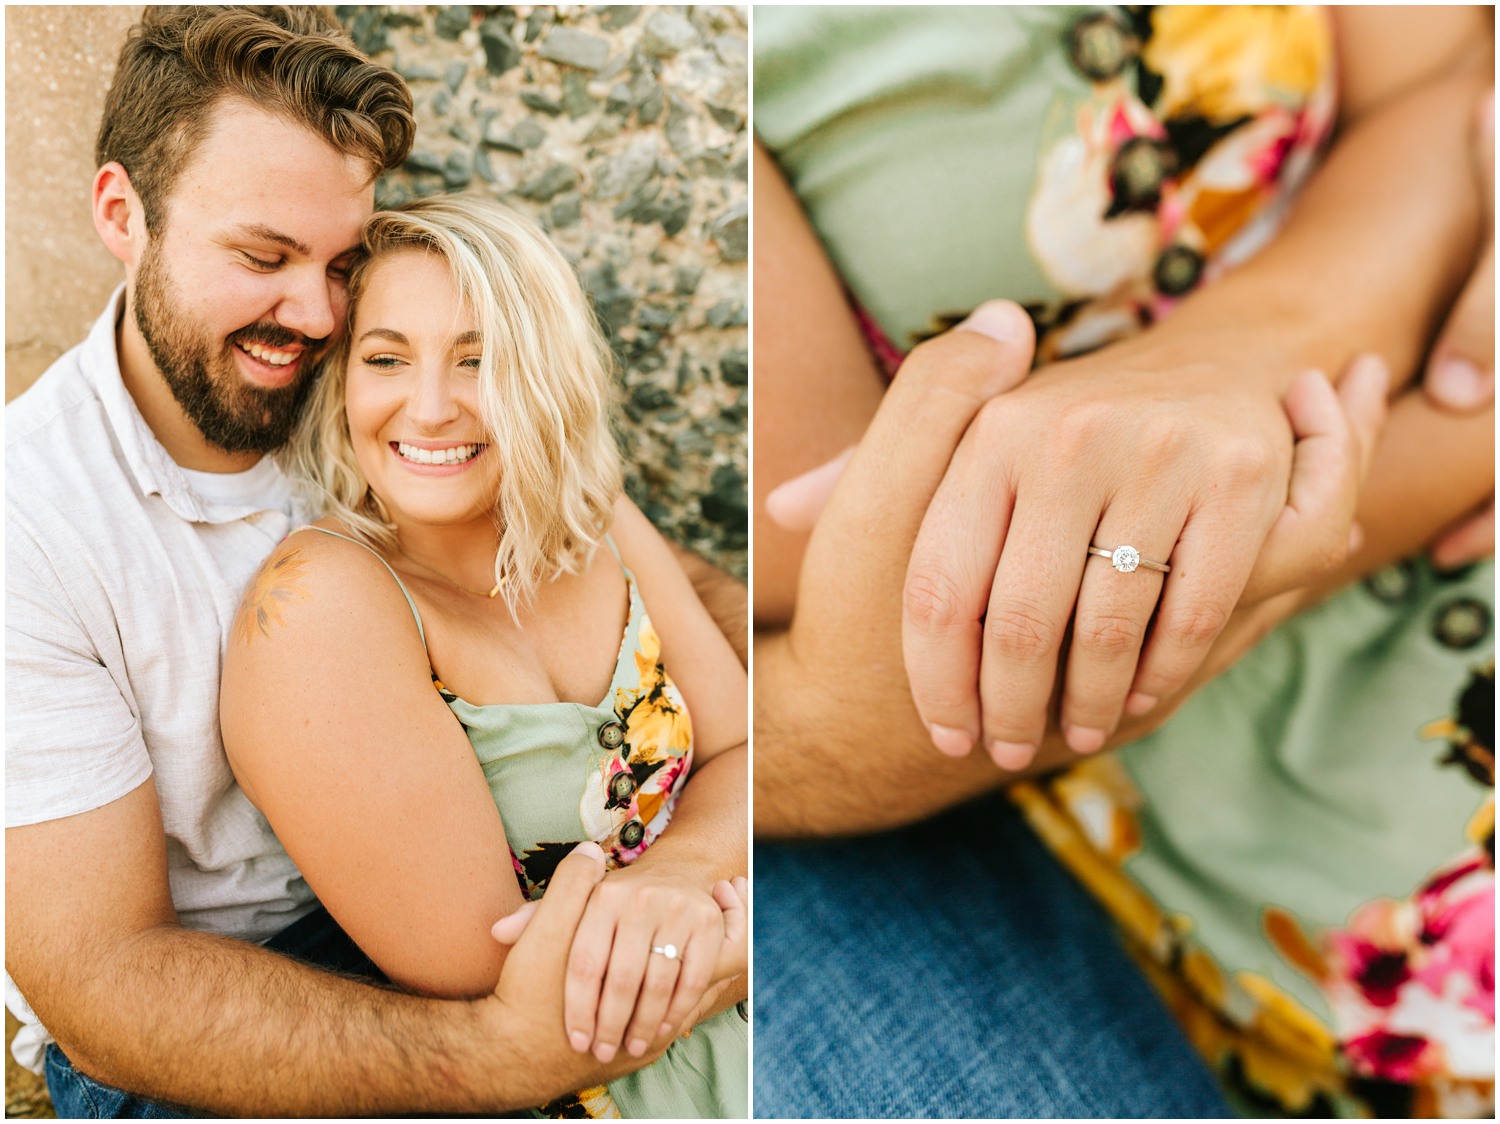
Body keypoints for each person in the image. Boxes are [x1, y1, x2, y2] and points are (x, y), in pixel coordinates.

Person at [751, 6, 1492, 1118]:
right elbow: (897, 616)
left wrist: (1233, 356)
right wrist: (1463, 436)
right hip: (1295, 808)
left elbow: (1445, 80)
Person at [6, 8, 742, 1117]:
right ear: (124, 213)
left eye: (342, 263)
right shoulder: (32, 523)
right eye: (262, 256)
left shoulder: (371, 389)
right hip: (238, 983)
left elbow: (574, 528)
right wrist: (502, 1056)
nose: (311, 314)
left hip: (531, 896)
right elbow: (103, 977)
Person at [218, 193, 749, 1119]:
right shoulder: (322, 605)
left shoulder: (596, 519)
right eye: (386, 359)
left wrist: (677, 874)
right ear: (343, 377)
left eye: (481, 361)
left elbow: (751, 752)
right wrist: (736, 924)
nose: (428, 408)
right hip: (594, 1083)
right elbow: (489, 971)